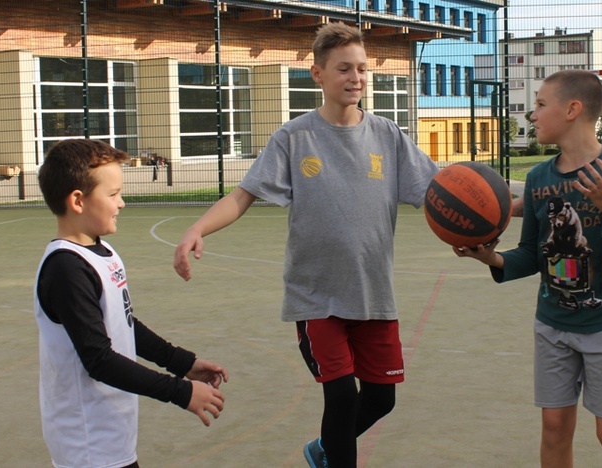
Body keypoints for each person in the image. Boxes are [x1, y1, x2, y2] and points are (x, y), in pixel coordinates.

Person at [173, 22, 438, 468]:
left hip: (373, 295)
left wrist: (508, 207)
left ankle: (324, 450)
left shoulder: (388, 136)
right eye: (343, 69)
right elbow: (242, 196)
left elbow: (441, 193)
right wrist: (196, 229)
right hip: (317, 296)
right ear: (317, 74)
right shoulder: (295, 137)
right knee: (339, 396)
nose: (355, 78)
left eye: (362, 69)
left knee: (381, 399)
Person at [454, 70, 602, 467]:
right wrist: (491, 258)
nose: (533, 114)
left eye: (542, 104)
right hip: (553, 324)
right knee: (555, 427)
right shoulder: (539, 178)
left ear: (573, 110)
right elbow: (531, 253)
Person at [35, 139, 228, 468]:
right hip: (86, 442)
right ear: (78, 201)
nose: (121, 203)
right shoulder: (66, 269)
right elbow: (99, 360)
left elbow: (123, 323)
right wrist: (180, 391)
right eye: (112, 195)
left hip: (110, 432)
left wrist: (182, 362)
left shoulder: (102, 253)